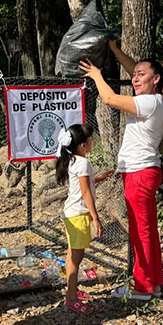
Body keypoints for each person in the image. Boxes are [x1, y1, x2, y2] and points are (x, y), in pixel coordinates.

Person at [78, 49, 163, 301]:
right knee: (148, 231)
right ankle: (153, 282)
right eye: (134, 75)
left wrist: (96, 75)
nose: (135, 78)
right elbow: (137, 70)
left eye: (141, 75)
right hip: (143, 171)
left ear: (155, 79)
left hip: (139, 174)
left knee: (140, 233)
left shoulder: (148, 101)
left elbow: (109, 99)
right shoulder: (155, 99)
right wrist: (112, 48)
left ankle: (142, 289)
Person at [55, 123, 111, 313]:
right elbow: (86, 193)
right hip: (78, 215)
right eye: (91, 140)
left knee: (72, 255)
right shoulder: (83, 162)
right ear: (82, 146)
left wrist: (98, 178)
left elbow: (83, 185)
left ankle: (72, 291)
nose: (93, 142)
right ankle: (71, 297)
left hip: (71, 214)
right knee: (75, 258)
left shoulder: (73, 160)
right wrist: (96, 217)